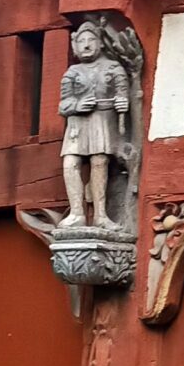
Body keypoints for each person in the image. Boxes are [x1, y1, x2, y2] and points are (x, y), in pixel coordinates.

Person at [58, 21, 130, 228]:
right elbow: (63, 104)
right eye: (81, 41)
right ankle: (77, 212)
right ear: (75, 46)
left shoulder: (113, 68)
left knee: (99, 162)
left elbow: (123, 94)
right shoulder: (73, 71)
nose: (86, 45)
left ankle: (100, 215)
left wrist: (121, 101)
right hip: (77, 123)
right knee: (70, 162)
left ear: (100, 43)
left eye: (91, 40)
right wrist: (78, 105)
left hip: (102, 121)